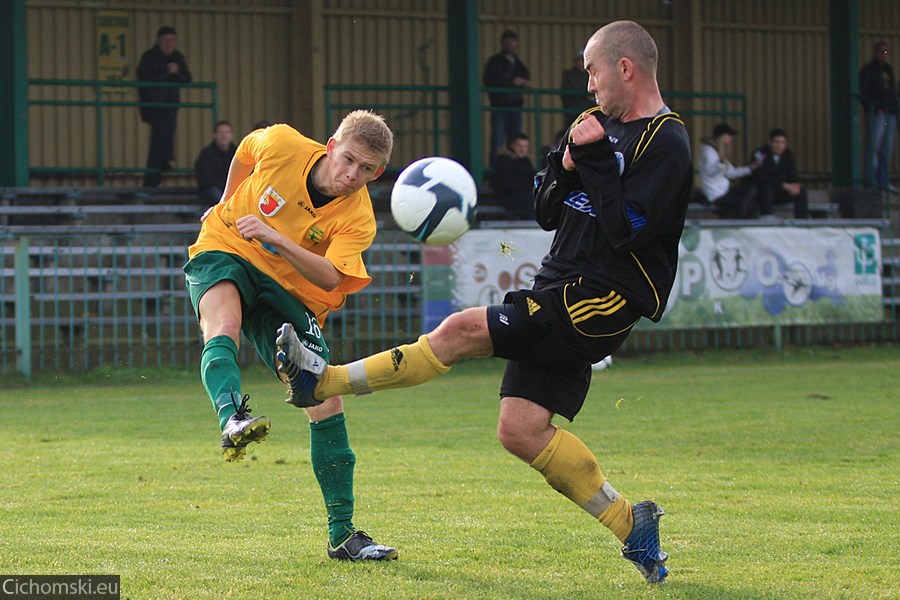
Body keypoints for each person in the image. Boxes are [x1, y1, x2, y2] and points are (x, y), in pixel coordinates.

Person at [278, 20, 691, 584]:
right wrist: (566, 165)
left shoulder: (665, 141)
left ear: (626, 68)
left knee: (461, 329)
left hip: (602, 297)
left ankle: (321, 382)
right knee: (519, 429)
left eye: (593, 71)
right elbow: (546, 208)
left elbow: (628, 232)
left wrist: (589, 162)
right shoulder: (589, 127)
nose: (588, 85)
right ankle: (632, 525)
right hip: (559, 283)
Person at [182, 111, 398, 562]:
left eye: (367, 171)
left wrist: (276, 239)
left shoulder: (359, 216)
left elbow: (331, 278)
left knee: (326, 398)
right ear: (331, 144)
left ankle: (342, 536)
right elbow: (244, 150)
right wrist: (224, 202)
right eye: (350, 161)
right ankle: (232, 420)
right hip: (226, 247)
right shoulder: (282, 144)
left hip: (290, 288)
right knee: (224, 327)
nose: (353, 176)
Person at [137, 26, 192, 187]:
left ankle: (161, 165)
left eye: (172, 41)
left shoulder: (177, 57)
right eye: (166, 41)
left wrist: (176, 72)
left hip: (171, 104)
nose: (169, 44)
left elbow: (187, 78)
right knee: (160, 137)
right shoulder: (150, 57)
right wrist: (167, 72)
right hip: (154, 105)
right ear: (158, 41)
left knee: (164, 136)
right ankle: (158, 169)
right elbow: (145, 78)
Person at [483, 30, 531, 167]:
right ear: (502, 43)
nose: (510, 44)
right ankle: (494, 171)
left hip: (515, 106)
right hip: (500, 106)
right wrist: (512, 82)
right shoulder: (495, 62)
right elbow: (489, 80)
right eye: (507, 41)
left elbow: (526, 76)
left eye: (513, 41)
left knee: (515, 142)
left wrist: (523, 82)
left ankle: (514, 169)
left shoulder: (517, 62)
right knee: (497, 141)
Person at [697, 123, 759, 218]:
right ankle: (738, 217)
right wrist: (721, 161)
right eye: (729, 135)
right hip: (716, 194)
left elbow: (731, 173)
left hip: (724, 191)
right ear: (723, 136)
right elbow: (710, 171)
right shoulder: (709, 151)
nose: (731, 138)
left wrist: (750, 169)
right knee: (748, 203)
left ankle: (732, 215)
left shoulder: (718, 151)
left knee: (752, 193)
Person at [859, 41, 898, 190]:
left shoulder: (888, 69)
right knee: (874, 146)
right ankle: (872, 180)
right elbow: (864, 92)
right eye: (881, 51)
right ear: (875, 53)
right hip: (878, 114)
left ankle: (884, 180)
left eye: (886, 52)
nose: (884, 54)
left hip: (889, 115)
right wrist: (874, 107)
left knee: (886, 147)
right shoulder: (869, 70)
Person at [751, 128, 809, 219]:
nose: (780, 146)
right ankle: (766, 216)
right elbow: (760, 177)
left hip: (778, 193)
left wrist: (794, 185)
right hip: (761, 194)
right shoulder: (760, 153)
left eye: (783, 143)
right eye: (777, 142)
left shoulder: (788, 154)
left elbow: (792, 174)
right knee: (767, 188)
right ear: (770, 143)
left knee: (801, 192)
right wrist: (783, 185)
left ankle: (801, 221)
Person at [490, 132, 536, 220]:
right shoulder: (504, 161)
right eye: (519, 146)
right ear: (512, 146)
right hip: (508, 198)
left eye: (525, 146)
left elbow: (533, 179)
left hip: (524, 196)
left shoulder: (526, 161)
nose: (522, 149)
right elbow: (508, 184)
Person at [194, 120, 237, 207]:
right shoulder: (206, 154)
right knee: (216, 194)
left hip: (233, 190)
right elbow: (206, 178)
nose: (224, 136)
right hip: (213, 190)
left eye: (227, 132)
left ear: (231, 135)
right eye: (220, 132)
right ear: (215, 135)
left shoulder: (238, 153)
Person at [560, 50, 594, 128]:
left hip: (589, 108)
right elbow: (568, 91)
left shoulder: (589, 74)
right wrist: (586, 96)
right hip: (574, 108)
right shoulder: (569, 75)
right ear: (575, 62)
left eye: (583, 60)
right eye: (580, 60)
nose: (582, 63)